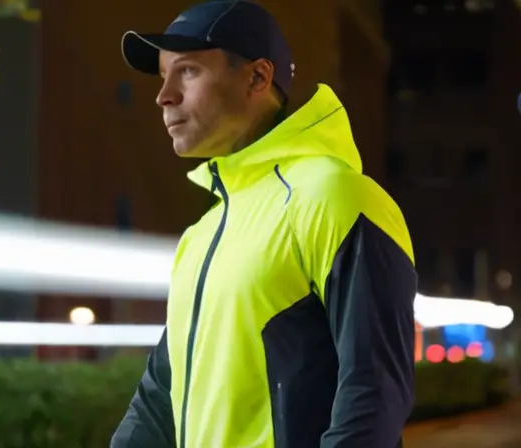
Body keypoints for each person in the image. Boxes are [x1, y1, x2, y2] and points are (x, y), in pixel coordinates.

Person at [110, 1, 417, 447]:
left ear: (258, 76)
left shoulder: (335, 196)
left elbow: (375, 393)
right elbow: (159, 397)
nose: (164, 96)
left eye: (188, 72)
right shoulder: (204, 233)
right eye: (163, 77)